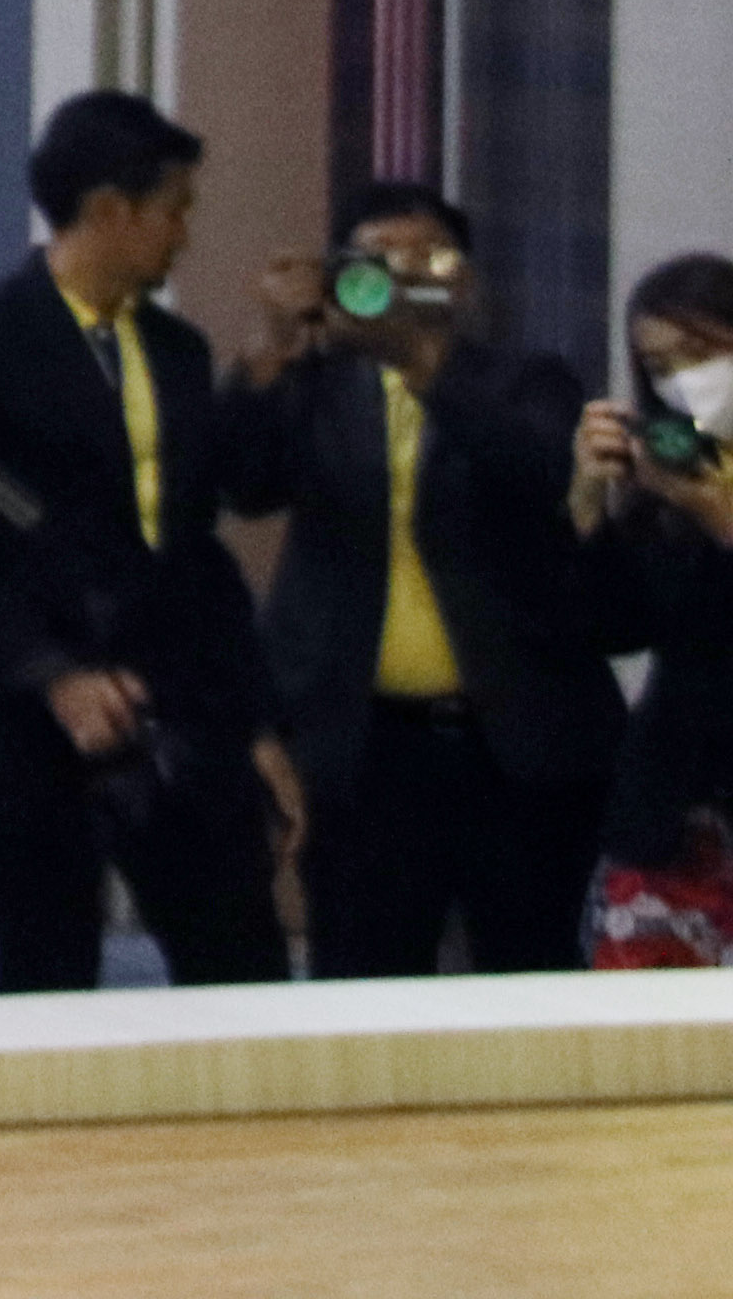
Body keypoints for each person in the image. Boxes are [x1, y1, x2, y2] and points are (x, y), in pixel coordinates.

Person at [0, 88, 293, 992]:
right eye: (173, 210)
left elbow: (195, 542)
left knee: (239, 960)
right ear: (109, 210)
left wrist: (252, 720)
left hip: (180, 706)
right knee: (48, 969)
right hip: (33, 718)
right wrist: (51, 671)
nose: (184, 234)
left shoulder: (177, 351)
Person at [215, 179, 617, 977]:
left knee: (530, 968)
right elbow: (243, 485)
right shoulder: (319, 385)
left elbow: (537, 471)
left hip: (514, 744)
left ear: (462, 278)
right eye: (378, 261)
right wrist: (271, 349)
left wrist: (424, 363)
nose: (400, 277)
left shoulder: (528, 380)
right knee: (365, 971)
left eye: (426, 257)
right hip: (366, 747)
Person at [569, 252, 733, 965]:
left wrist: (721, 517)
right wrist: (587, 505)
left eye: (701, 353)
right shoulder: (673, 469)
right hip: (675, 808)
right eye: (660, 366)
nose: (683, 381)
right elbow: (616, 626)